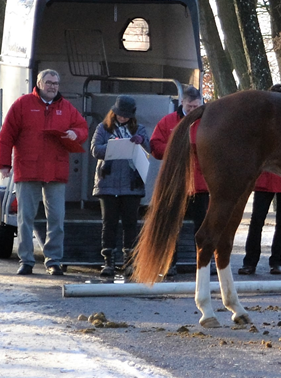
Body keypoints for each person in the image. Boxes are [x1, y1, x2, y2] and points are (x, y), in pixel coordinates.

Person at [0, 69, 88, 276]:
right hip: (28, 169)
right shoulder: (23, 104)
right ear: (39, 83)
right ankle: (26, 260)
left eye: (56, 83)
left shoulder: (66, 108)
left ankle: (53, 260)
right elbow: (6, 135)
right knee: (25, 217)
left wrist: (76, 133)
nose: (52, 86)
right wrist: (3, 164)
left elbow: (82, 127)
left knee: (56, 218)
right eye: (48, 83)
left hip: (56, 170)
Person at [239, 84, 281, 276]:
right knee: (258, 220)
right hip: (267, 176)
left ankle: (275, 261)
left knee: (280, 221)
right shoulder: (263, 121)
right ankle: (251, 261)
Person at [151, 86, 209, 275]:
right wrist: (177, 148)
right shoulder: (168, 121)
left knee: (202, 228)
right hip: (176, 184)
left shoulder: (207, 122)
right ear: (182, 102)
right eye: (191, 107)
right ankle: (169, 264)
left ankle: (203, 265)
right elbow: (155, 147)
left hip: (200, 185)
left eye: (197, 107)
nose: (194, 111)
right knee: (171, 227)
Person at [90, 95, 150, 278]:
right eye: (120, 115)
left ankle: (129, 262)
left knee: (130, 224)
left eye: (126, 116)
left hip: (131, 184)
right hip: (108, 183)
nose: (122, 118)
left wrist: (140, 140)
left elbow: (150, 149)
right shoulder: (103, 128)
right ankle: (108, 262)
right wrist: (113, 146)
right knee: (109, 223)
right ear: (114, 113)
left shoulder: (139, 128)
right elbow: (94, 150)